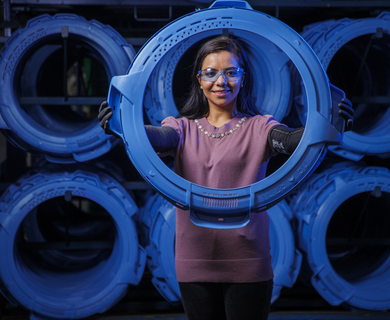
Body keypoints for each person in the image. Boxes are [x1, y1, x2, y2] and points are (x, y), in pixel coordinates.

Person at [99, 36, 353, 320]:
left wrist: (330, 123)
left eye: (231, 72)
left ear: (243, 77)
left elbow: (292, 140)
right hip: (194, 259)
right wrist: (124, 125)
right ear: (199, 79)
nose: (221, 81)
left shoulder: (259, 127)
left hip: (248, 260)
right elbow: (156, 138)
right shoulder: (181, 129)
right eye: (211, 73)